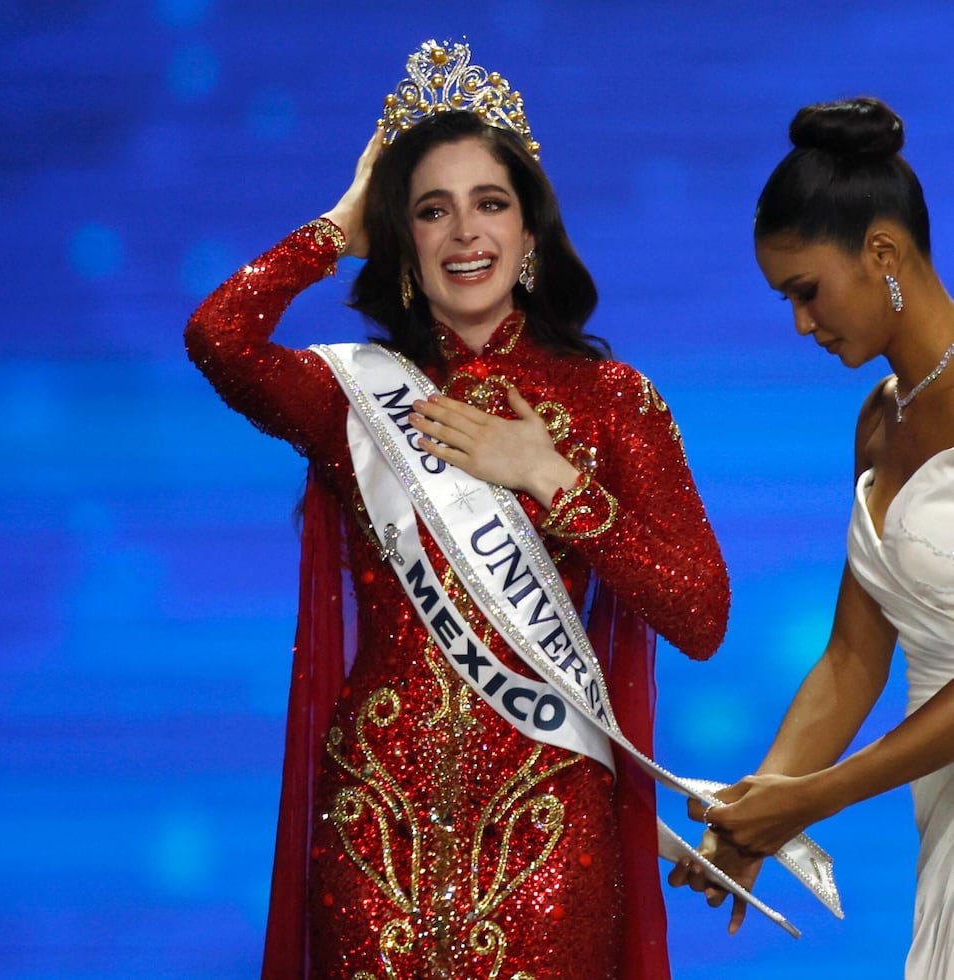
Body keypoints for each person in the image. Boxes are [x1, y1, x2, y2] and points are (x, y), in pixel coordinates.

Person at [186, 38, 729, 980]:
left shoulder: (611, 403)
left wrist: (554, 482)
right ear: (404, 243)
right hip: (376, 832)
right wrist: (336, 227)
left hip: (548, 828)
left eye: (491, 204)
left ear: (529, 237)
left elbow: (701, 613)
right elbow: (218, 336)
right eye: (431, 212)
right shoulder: (352, 397)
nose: (465, 233)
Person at [668, 96, 954, 978]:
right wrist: (755, 807)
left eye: (807, 290)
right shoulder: (876, 423)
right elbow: (853, 659)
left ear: (882, 253)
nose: (800, 322)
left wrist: (810, 800)